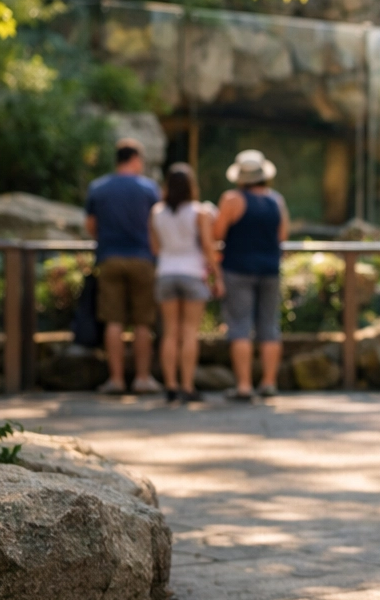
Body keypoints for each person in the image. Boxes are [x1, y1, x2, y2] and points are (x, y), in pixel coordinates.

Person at [85, 138, 162, 394]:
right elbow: (156, 225)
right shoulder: (149, 188)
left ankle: (116, 379)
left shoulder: (98, 187)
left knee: (113, 320)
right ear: (135, 159)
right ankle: (142, 378)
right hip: (143, 259)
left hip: (109, 258)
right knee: (143, 322)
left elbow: (91, 225)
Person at [214, 149, 288, 401]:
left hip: (237, 270)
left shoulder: (231, 199)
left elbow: (217, 233)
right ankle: (269, 383)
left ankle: (244, 386)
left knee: (240, 327)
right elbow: (282, 235)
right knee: (269, 326)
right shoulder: (276, 200)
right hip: (270, 270)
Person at [150, 163, 223, 403]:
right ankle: (187, 386)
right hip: (192, 273)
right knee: (190, 332)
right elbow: (208, 247)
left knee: (170, 332)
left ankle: (170, 386)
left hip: (165, 272)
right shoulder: (199, 212)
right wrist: (217, 276)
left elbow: (155, 248)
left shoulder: (156, 212)